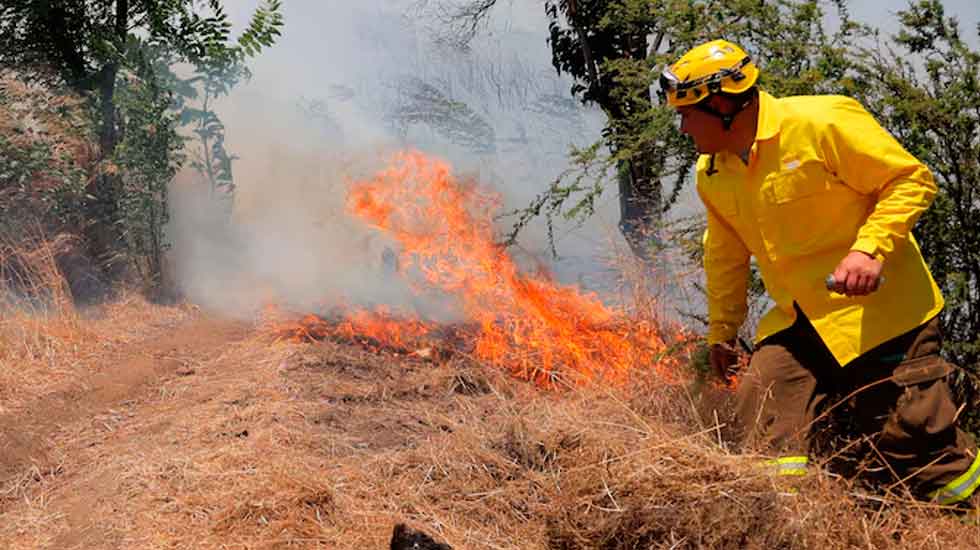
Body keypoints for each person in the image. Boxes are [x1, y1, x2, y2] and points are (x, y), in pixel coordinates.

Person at [659, 38, 980, 505]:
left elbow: (910, 179)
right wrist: (722, 331)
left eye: (688, 114)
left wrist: (869, 251)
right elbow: (724, 256)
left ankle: (964, 521)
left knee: (919, 452)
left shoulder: (822, 121)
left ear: (724, 104)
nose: (684, 128)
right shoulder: (712, 173)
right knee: (764, 416)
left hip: (885, 318)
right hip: (799, 320)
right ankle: (786, 525)